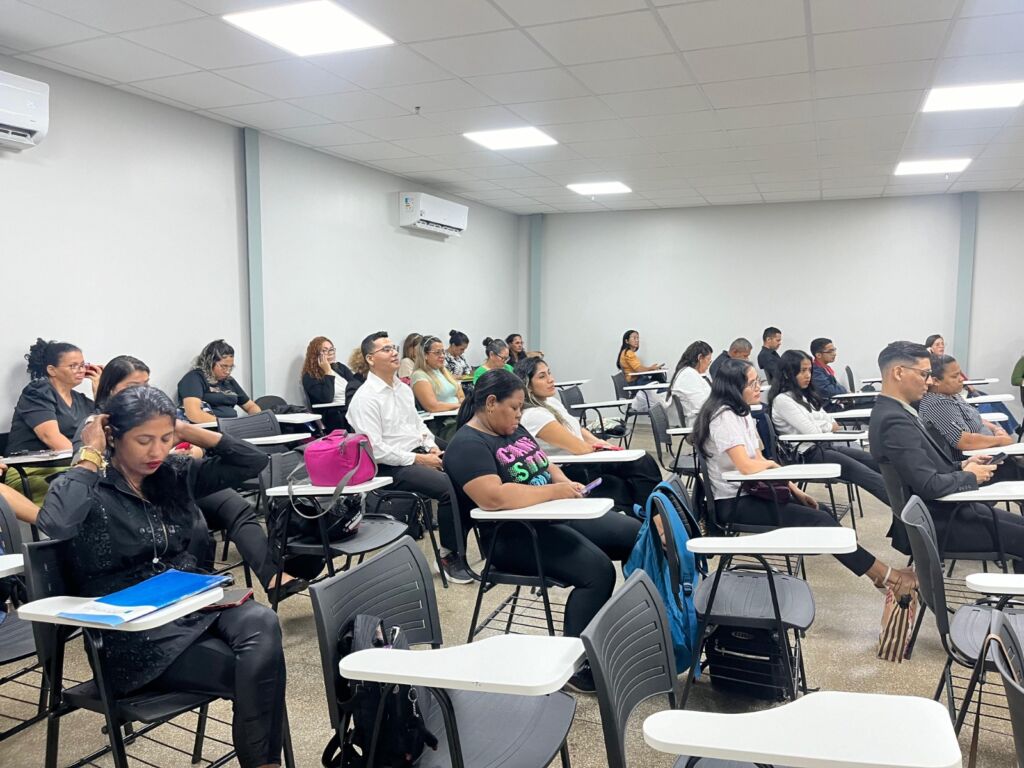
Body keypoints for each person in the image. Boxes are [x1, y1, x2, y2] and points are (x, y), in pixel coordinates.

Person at [38, 386, 286, 768]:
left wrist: (186, 430)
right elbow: (55, 522)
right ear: (112, 435)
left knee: (262, 621)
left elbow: (252, 462)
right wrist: (88, 454)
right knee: (259, 669)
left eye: (165, 439)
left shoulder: (172, 473)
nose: (156, 451)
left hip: (189, 603)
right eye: (144, 440)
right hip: (131, 635)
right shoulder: (89, 485)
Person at [444, 369, 640, 690]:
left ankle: (626, 627)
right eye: (514, 407)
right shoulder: (467, 445)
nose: (519, 415)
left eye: (521, 408)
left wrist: (567, 485)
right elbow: (493, 497)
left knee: (634, 534)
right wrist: (554, 492)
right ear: (491, 403)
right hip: (513, 537)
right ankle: (575, 665)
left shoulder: (514, 428)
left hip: (552, 515)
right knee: (598, 572)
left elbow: (545, 463)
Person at [80, 356, 307, 602]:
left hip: (177, 475)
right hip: (150, 494)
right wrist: (163, 451)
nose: (142, 392)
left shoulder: (157, 416)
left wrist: (190, 439)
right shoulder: (98, 427)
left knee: (239, 507)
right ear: (110, 389)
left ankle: (273, 578)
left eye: (146, 385)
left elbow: (253, 460)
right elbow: (95, 464)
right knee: (198, 518)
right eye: (133, 386)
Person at [693, 358, 914, 595]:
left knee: (821, 511)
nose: (759, 388)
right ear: (733, 388)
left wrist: (795, 490)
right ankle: (887, 577)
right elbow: (747, 466)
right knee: (822, 522)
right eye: (752, 384)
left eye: (758, 381)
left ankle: (878, 575)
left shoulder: (742, 412)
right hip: (734, 503)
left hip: (754, 491)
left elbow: (758, 459)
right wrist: (771, 464)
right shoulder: (723, 417)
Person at [869, 341, 1024, 564]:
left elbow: (922, 468)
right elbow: (928, 485)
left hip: (946, 510)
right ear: (899, 372)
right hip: (938, 520)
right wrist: (970, 475)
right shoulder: (894, 421)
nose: (929, 381)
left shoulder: (897, 411)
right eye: (924, 374)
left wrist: (963, 465)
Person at [346, 332, 470, 584]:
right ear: (370, 359)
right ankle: (449, 556)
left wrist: (431, 446)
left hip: (416, 451)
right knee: (449, 489)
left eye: (393, 347)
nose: (394, 352)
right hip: (388, 468)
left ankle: (485, 542)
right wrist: (419, 459)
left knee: (469, 468)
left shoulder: (402, 389)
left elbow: (418, 426)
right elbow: (376, 450)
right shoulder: (365, 398)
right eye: (386, 349)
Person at [516, 357, 662, 513]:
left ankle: (655, 516)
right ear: (527, 385)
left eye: (549, 373)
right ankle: (656, 518)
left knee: (641, 463)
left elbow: (577, 429)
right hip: (571, 468)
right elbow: (578, 447)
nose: (551, 379)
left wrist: (601, 443)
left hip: (586, 459)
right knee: (639, 465)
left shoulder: (549, 401)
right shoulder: (534, 415)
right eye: (542, 376)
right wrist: (599, 448)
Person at [767, 350, 891, 505]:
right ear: (787, 373)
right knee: (865, 474)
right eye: (802, 370)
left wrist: (822, 424)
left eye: (809, 370)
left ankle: (907, 499)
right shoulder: (782, 400)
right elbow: (813, 432)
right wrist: (827, 426)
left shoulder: (804, 395)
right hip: (807, 455)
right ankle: (906, 509)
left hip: (824, 447)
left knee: (875, 461)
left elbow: (829, 419)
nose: (808, 375)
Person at [5, 339, 102, 501]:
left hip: (67, 469)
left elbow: (101, 430)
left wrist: (99, 392)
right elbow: (50, 437)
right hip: (31, 471)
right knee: (90, 490)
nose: (81, 370)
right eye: (73, 366)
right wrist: (86, 464)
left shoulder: (80, 400)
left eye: (83, 365)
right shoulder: (37, 392)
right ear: (52, 370)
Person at [919, 354, 1016, 467]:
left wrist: (996, 429)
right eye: (955, 376)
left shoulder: (952, 395)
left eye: (960, 373)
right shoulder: (937, 403)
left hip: (986, 453)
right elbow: (965, 441)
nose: (962, 379)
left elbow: (976, 418)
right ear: (936, 381)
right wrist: (999, 440)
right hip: (972, 463)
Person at [925, 334, 1020, 434]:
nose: (941, 346)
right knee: (986, 405)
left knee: (995, 401)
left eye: (943, 344)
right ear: (930, 348)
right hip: (954, 394)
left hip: (963, 390)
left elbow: (961, 375)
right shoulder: (930, 364)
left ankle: (1012, 429)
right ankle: (993, 433)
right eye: (938, 344)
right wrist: (927, 355)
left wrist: (971, 388)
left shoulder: (948, 361)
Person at [177, 340, 261, 423]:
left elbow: (251, 406)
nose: (227, 371)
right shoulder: (194, 378)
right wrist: (225, 424)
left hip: (230, 425)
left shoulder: (229, 380)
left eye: (231, 367)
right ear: (210, 363)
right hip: (210, 427)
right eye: (223, 366)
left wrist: (256, 420)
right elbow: (194, 414)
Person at [300, 336, 360, 433]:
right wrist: (328, 372)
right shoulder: (310, 376)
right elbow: (327, 398)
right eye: (325, 351)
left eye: (331, 350)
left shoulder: (340, 368)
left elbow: (356, 386)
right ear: (315, 355)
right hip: (334, 414)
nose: (330, 353)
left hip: (352, 406)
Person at [411, 335, 464, 442]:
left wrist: (463, 403)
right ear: (425, 355)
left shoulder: (444, 372)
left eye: (443, 352)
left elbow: (460, 394)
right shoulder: (419, 375)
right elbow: (432, 406)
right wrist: (459, 406)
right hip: (443, 424)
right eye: (437, 353)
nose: (442, 356)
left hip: (457, 417)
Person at [667, 341, 713, 427]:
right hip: (699, 425)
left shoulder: (689, 373)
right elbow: (701, 405)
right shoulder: (688, 375)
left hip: (702, 421)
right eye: (708, 360)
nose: (708, 364)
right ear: (700, 358)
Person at [809, 337, 848, 403]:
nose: (834, 354)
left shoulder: (825, 368)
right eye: (830, 351)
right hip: (827, 405)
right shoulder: (815, 371)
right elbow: (826, 390)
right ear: (818, 355)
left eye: (834, 350)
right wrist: (844, 389)